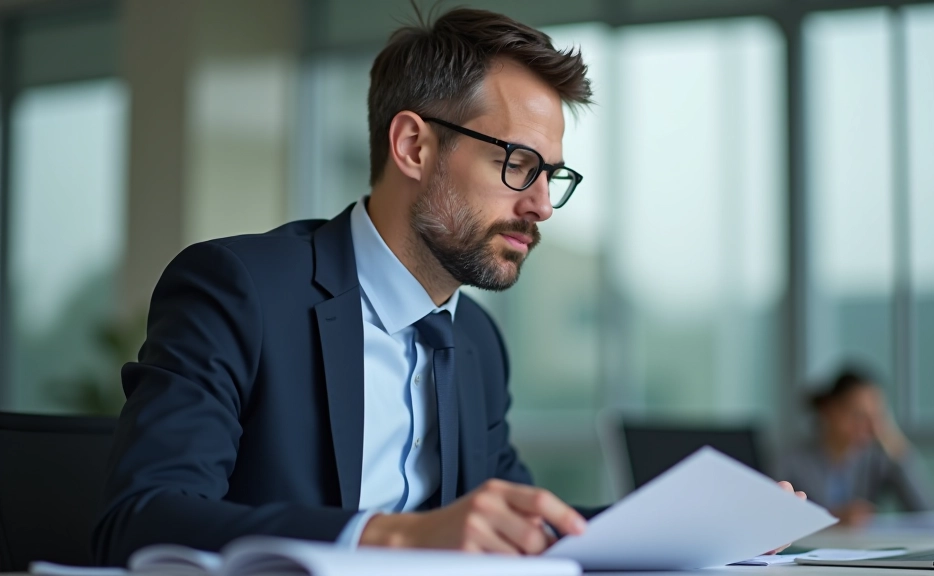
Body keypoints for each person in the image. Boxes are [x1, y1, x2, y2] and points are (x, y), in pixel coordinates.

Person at [93, 7, 804, 565]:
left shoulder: (475, 343)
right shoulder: (239, 289)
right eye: (519, 164)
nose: (542, 206)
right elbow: (142, 520)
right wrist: (399, 537)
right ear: (413, 146)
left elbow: (524, 523)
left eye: (552, 176)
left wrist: (702, 528)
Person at [778, 367, 934, 527]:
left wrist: (896, 444)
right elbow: (773, 517)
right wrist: (831, 517)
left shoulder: (878, 456)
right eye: (859, 415)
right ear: (830, 410)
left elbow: (926, 511)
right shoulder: (792, 459)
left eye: (876, 416)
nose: (870, 426)